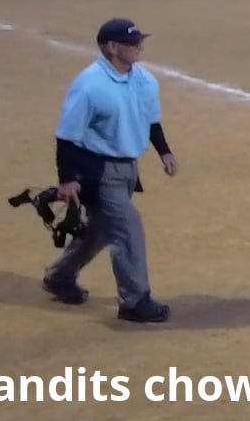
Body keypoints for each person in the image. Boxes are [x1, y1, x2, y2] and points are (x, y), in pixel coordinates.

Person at [43, 18, 177, 324]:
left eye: (139, 41)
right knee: (127, 228)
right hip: (97, 170)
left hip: (128, 168)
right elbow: (67, 137)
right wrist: (67, 180)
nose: (139, 47)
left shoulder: (143, 80)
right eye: (133, 43)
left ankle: (60, 276)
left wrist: (164, 151)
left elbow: (150, 120)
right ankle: (134, 300)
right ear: (113, 48)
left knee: (102, 229)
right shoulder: (90, 86)